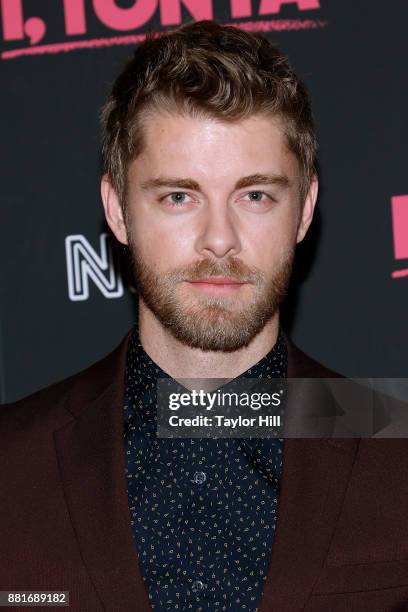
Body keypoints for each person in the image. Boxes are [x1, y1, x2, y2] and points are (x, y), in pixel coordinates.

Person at [1, 20, 407, 612]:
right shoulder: (11, 465)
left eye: (255, 196)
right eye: (178, 197)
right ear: (117, 210)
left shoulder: (395, 452)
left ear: (305, 209)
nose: (219, 239)